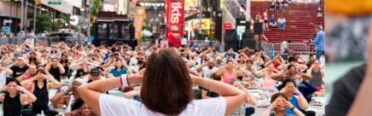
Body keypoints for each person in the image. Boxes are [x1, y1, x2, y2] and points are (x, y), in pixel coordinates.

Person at [76, 48, 250, 116]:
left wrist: (131, 78)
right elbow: (240, 95)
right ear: (184, 81)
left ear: (147, 81)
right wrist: (196, 79)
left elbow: (84, 89)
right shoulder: (198, 111)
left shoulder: (130, 111)